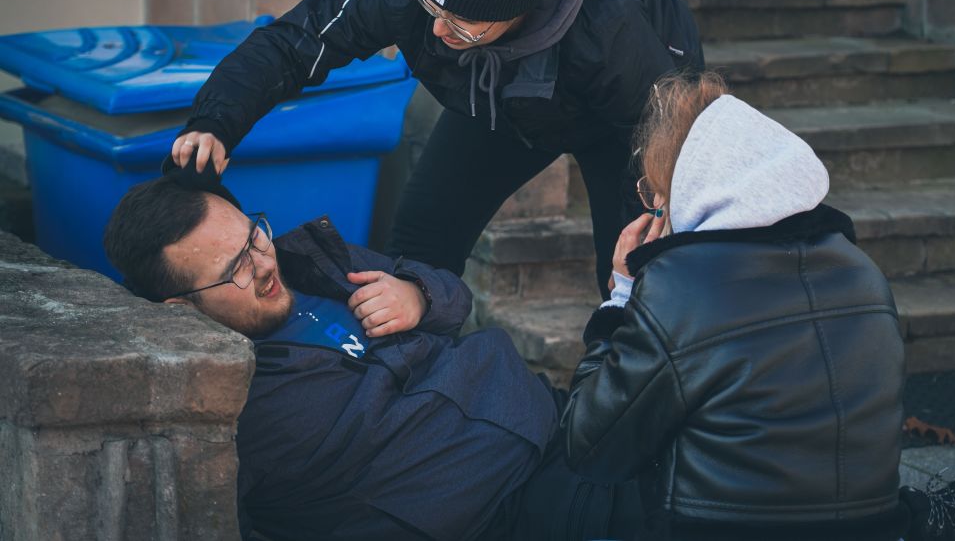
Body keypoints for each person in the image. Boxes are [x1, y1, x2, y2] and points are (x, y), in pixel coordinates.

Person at [169, 0, 703, 300]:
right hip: (503, 102)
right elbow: (299, 40)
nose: (439, 32)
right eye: (433, 9)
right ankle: (415, 382)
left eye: (462, 26)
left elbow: (664, 129)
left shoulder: (611, 32)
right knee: (418, 251)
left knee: (632, 275)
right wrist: (217, 119)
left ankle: (624, 396)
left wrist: (653, 221)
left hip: (632, 123)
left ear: (516, 14)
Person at [560, 72, 955, 541]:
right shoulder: (861, 268)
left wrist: (621, 297)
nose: (655, 208)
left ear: (688, 186)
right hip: (870, 525)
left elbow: (589, 443)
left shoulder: (678, 287)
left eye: (656, 191)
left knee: (563, 483)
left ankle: (947, 521)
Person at [103, 173, 644, 541]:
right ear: (182, 308)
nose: (263, 264)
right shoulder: (226, 404)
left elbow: (455, 300)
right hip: (499, 509)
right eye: (235, 269)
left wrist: (418, 295)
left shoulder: (315, 261)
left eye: (253, 238)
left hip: (551, 416)